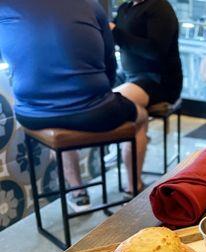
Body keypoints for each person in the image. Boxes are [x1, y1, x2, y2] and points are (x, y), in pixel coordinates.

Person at [0, 0, 148, 211]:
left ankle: (77, 191)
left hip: (33, 114)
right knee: (141, 115)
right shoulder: (90, 5)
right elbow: (109, 65)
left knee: (62, 122)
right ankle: (133, 187)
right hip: (96, 112)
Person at [111, 0, 182, 109]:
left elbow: (155, 50)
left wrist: (115, 33)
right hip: (126, 74)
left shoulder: (160, 7)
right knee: (94, 97)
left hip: (156, 80)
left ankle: (140, 119)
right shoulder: (125, 8)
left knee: (111, 106)